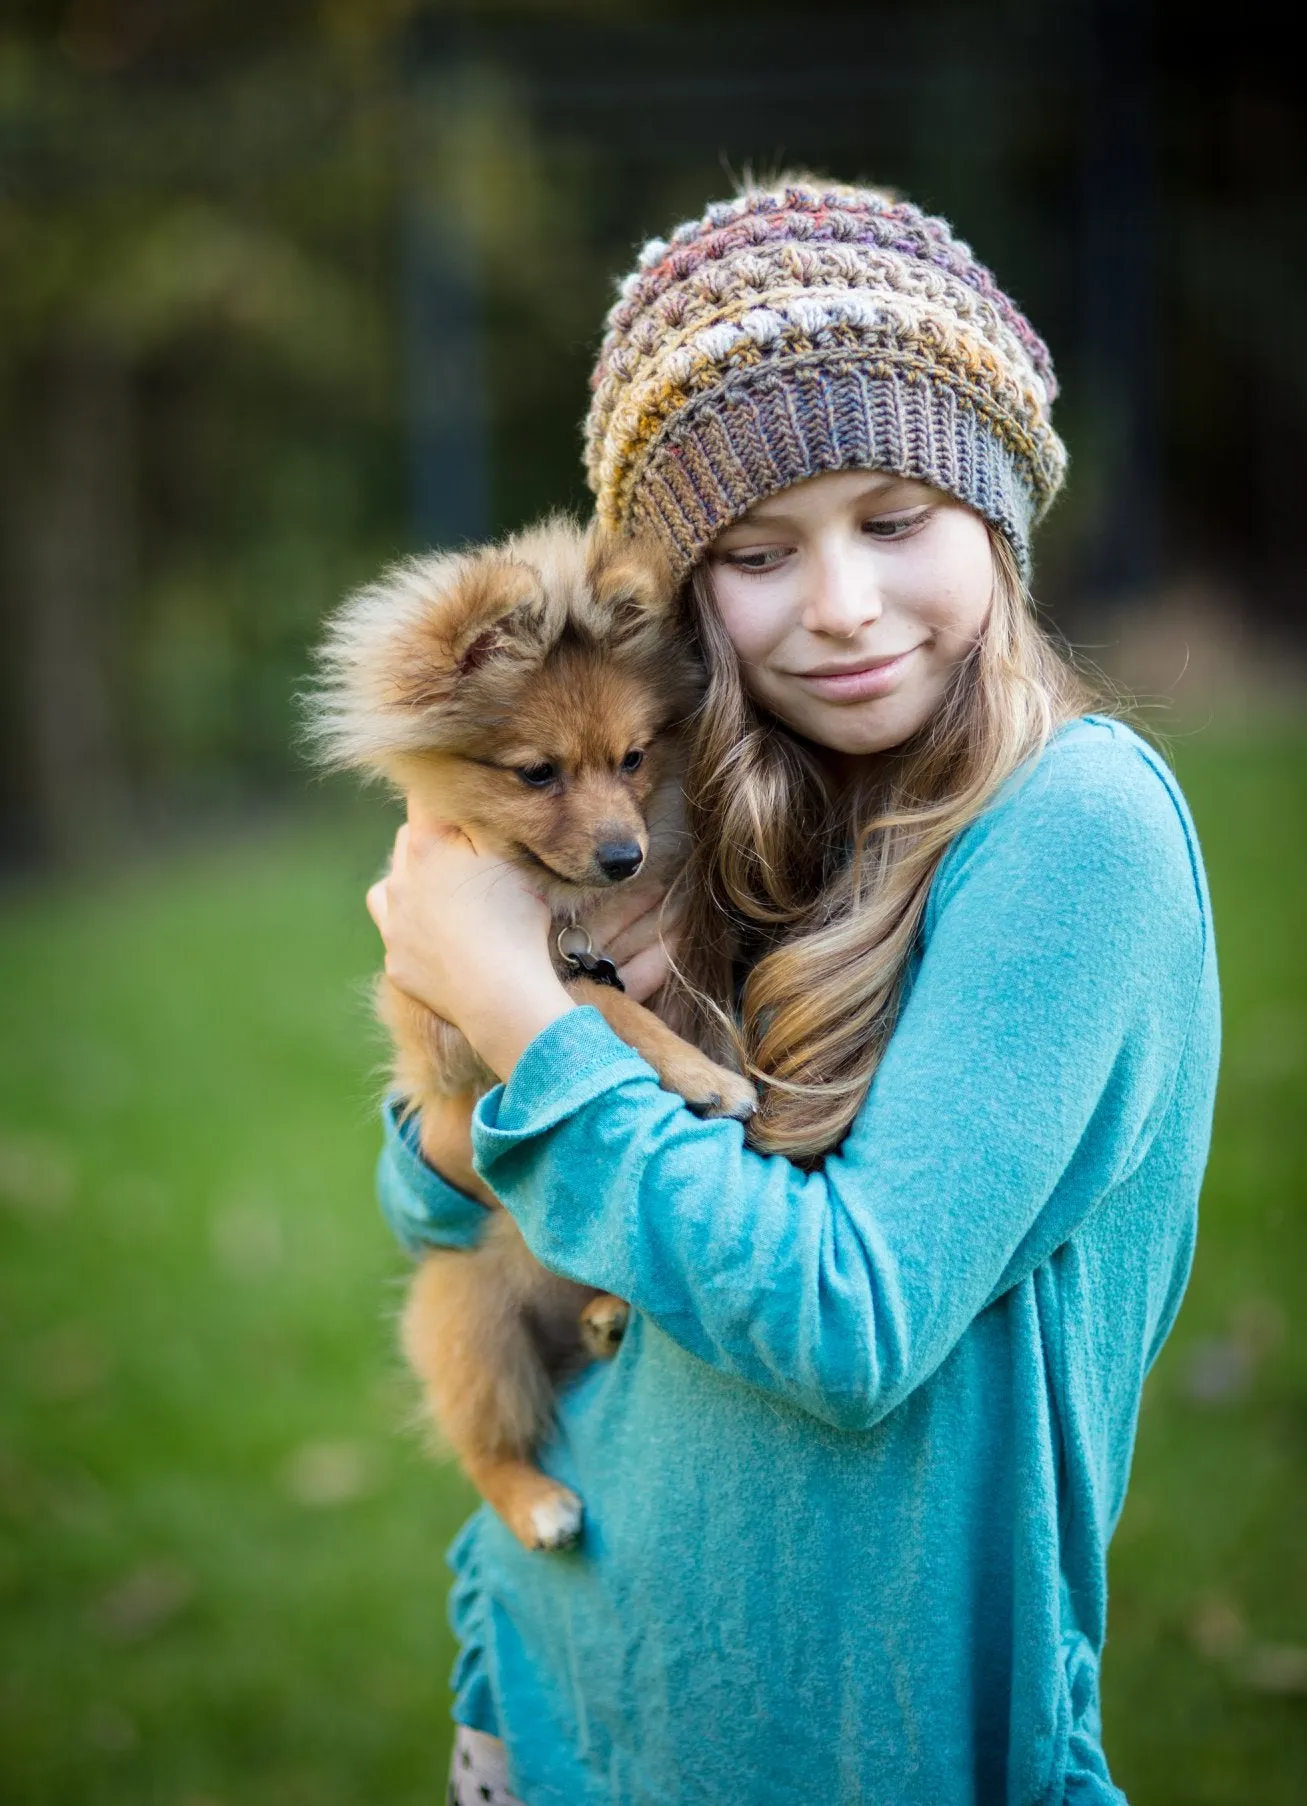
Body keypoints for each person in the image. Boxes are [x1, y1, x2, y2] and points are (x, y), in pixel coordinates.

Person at [365, 180, 1219, 1806]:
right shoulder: (714, 805)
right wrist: (461, 1005)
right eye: (755, 553)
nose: (835, 606)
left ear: (995, 514)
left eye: (893, 522)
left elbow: (850, 1323)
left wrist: (521, 1009)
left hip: (872, 1750)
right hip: (560, 1698)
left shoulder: (1069, 833)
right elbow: (435, 1212)